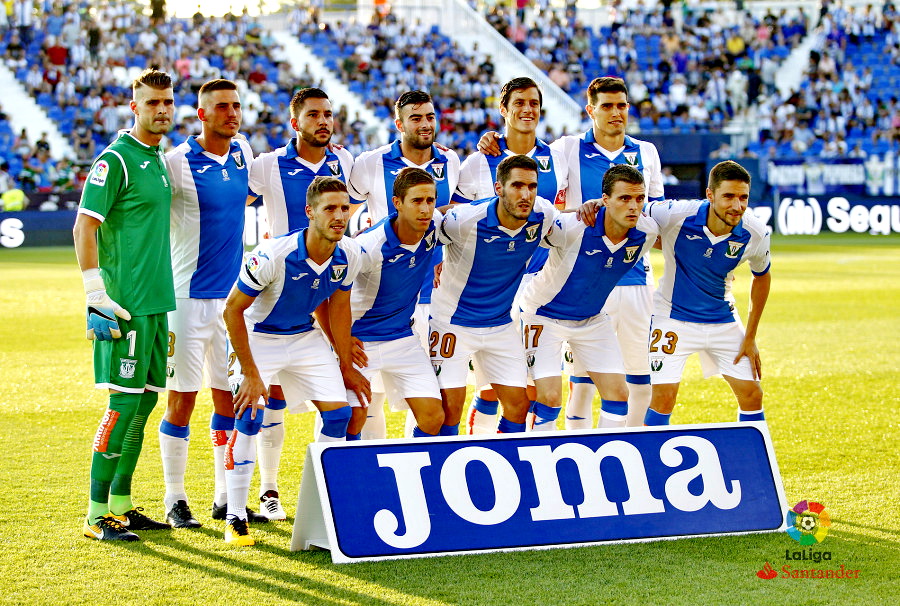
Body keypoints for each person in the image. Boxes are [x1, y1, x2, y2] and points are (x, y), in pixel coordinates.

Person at [221, 176, 367, 546]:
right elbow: (233, 312)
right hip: (258, 335)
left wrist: (346, 363)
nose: (339, 216)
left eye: (344, 208)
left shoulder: (349, 254)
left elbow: (337, 305)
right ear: (309, 212)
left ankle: (319, 508)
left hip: (303, 336)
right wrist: (251, 373)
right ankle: (236, 515)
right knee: (250, 413)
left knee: (339, 415)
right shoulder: (272, 254)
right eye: (329, 208)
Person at [158, 79, 268, 529]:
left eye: (236, 106)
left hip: (231, 304)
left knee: (230, 401)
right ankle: (175, 497)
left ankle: (226, 498)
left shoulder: (242, 150)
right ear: (201, 114)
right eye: (221, 107)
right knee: (181, 401)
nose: (231, 113)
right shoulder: (176, 162)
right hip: (185, 301)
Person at [73, 68, 175, 541]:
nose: (161, 110)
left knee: (143, 408)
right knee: (121, 408)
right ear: (134, 107)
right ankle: (96, 515)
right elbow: (84, 227)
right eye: (152, 103)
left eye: (167, 102)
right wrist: (95, 293)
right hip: (124, 306)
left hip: (157, 304)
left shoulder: (157, 160)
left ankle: (122, 504)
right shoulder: (114, 161)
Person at [246, 86, 354, 520]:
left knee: (337, 393)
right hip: (276, 289)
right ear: (295, 122)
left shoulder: (344, 161)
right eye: (313, 115)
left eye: (328, 114)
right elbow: (233, 194)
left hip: (325, 286)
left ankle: (326, 496)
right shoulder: (268, 164)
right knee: (270, 397)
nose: (323, 121)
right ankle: (266, 492)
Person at [546, 76, 664, 429]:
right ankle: (578, 454)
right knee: (580, 381)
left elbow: (656, 216)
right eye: (607, 106)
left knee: (640, 377)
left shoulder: (646, 152)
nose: (616, 113)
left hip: (634, 279)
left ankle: (633, 450)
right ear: (590, 110)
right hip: (582, 282)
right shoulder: (566, 148)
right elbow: (547, 206)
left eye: (622, 105)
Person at [455, 76, 568, 435]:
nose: (527, 110)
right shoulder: (477, 162)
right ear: (503, 110)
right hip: (489, 289)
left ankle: (526, 461)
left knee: (538, 389)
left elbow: (560, 221)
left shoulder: (557, 159)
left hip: (541, 287)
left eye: (533, 103)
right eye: (518, 103)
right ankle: (478, 455)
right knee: (490, 388)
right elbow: (457, 222)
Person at [347, 90, 460, 438]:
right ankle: (369, 469)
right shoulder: (370, 162)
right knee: (373, 395)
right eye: (415, 117)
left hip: (434, 295)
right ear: (398, 124)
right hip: (378, 297)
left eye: (429, 116)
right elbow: (347, 220)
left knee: (429, 393)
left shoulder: (451, 161)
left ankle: (413, 465)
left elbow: (451, 217)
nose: (425, 124)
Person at [519, 165, 659, 430]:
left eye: (639, 198)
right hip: (543, 315)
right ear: (605, 200)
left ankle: (611, 457)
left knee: (619, 395)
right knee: (548, 398)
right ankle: (537, 458)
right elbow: (526, 227)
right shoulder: (572, 227)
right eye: (624, 198)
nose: (633, 206)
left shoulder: (647, 232)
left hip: (592, 319)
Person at [431, 155, 558, 434]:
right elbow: (422, 225)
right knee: (447, 412)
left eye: (532, 186)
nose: (525, 194)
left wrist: (593, 205)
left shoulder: (543, 214)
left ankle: (504, 466)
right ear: (498, 188)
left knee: (518, 406)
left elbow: (573, 226)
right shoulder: (464, 220)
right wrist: (434, 262)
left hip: (500, 325)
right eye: (517, 186)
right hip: (452, 323)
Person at [643, 161, 771, 426]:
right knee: (664, 397)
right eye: (728, 196)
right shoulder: (675, 214)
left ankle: (749, 462)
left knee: (752, 394)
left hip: (722, 320)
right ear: (710, 195)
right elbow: (630, 208)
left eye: (743, 197)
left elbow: (762, 277)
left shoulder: (755, 232)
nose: (737, 206)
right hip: (671, 317)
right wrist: (596, 203)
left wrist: (750, 336)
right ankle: (651, 461)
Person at [339, 168, 445, 438]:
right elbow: (327, 296)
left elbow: (460, 211)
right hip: (360, 341)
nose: (425, 209)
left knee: (433, 418)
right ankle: (342, 477)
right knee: (352, 417)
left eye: (430, 201)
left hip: (403, 339)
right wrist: (341, 341)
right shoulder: (368, 246)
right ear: (397, 203)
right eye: (417, 201)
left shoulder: (434, 228)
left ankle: (412, 475)